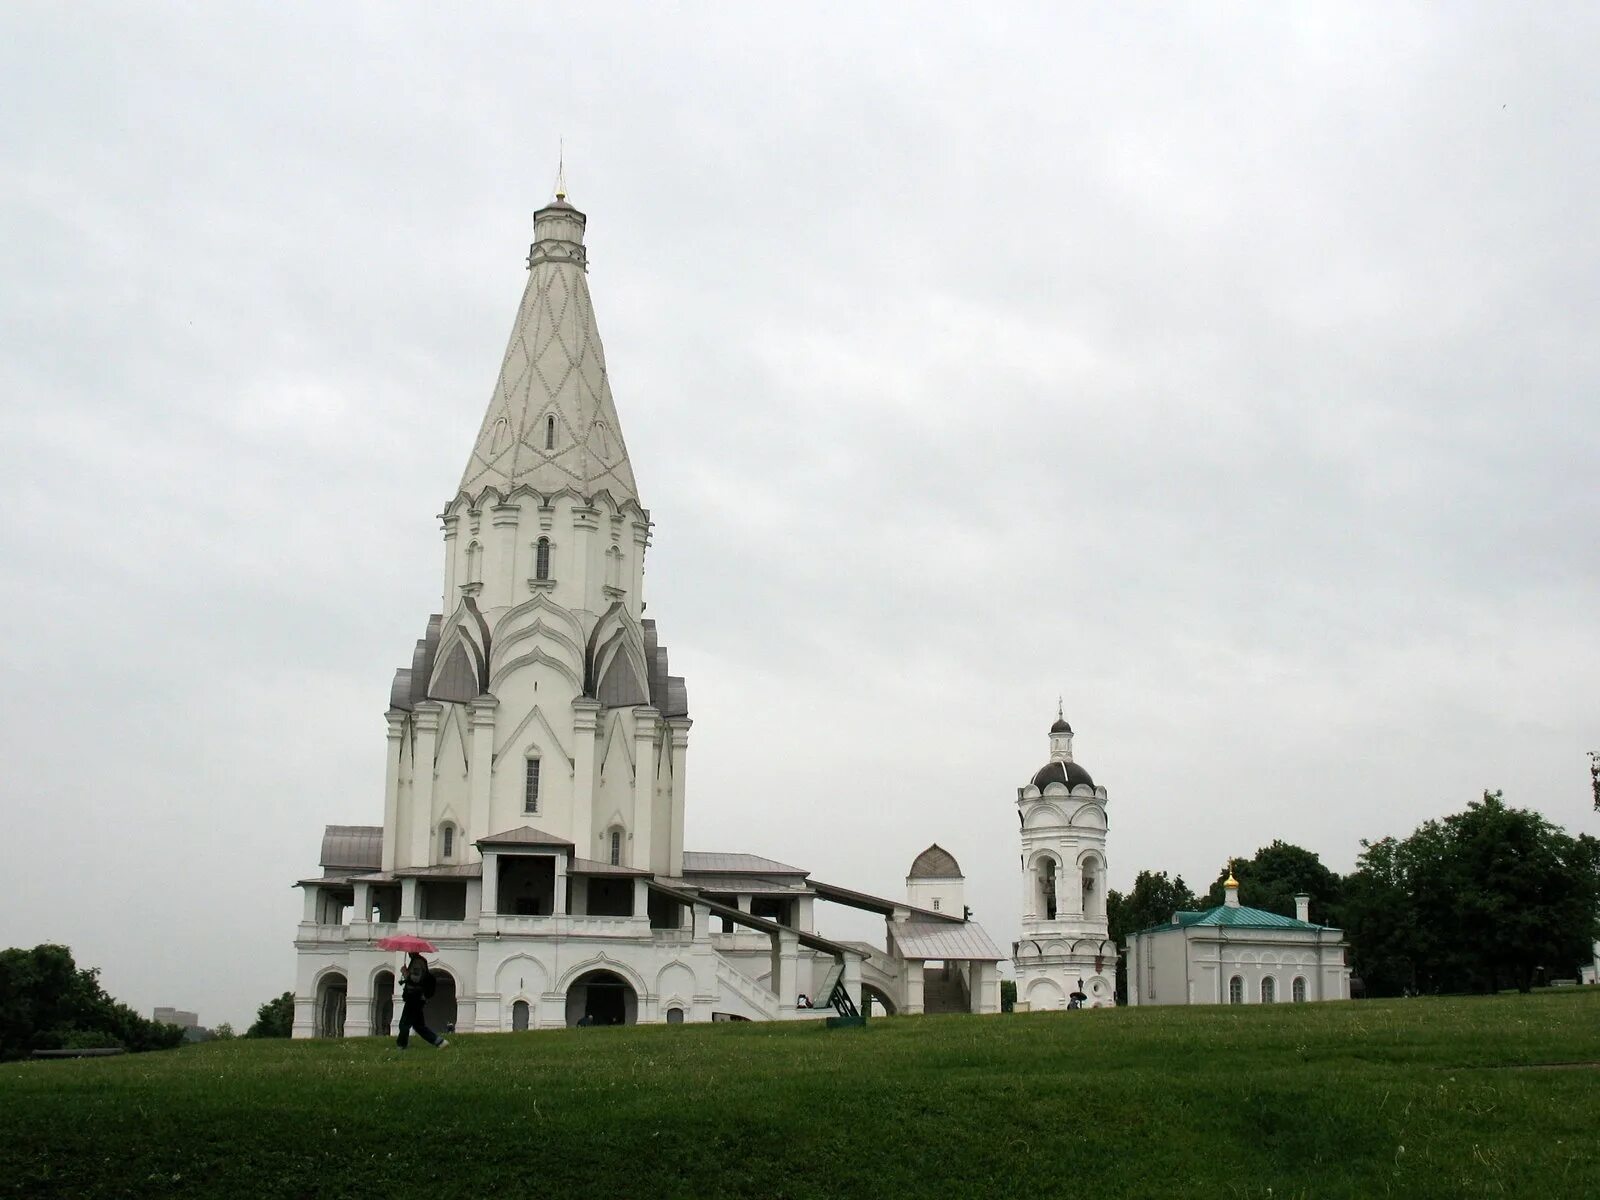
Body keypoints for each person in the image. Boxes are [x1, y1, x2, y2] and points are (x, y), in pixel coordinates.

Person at [396, 952, 449, 1051]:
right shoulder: (419, 961)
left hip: (414, 997)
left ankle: (401, 1045)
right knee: (418, 1026)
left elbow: (416, 979)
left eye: (409, 951)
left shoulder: (417, 962)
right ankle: (439, 1042)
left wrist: (405, 973)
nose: (408, 952)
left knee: (404, 1024)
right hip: (417, 997)